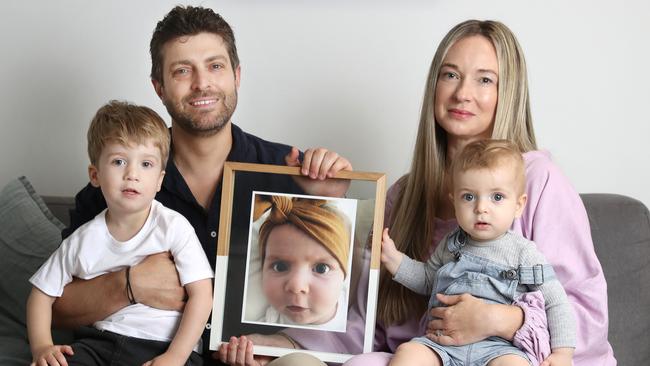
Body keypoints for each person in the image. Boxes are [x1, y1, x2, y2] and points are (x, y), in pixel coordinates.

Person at [223, 19, 614, 366]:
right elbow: (363, 316)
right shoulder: (405, 194)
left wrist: (503, 320)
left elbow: (583, 312)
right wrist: (277, 343)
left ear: (507, 92)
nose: (462, 93)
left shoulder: (539, 180)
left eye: (484, 79)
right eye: (450, 75)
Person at [50, 5, 350, 366]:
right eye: (182, 71)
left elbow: (341, 299)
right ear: (158, 88)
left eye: (215, 66)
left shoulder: (287, 170)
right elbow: (55, 307)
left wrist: (339, 199)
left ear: (237, 75)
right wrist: (128, 285)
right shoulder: (122, 178)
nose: (202, 83)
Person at [27, 101, 213, 365]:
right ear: (95, 175)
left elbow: (202, 294)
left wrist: (175, 356)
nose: (132, 174)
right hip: (99, 344)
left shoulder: (173, 227)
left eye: (146, 164)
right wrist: (42, 346)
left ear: (160, 180)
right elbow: (40, 295)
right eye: (118, 161)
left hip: (165, 346)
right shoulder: (83, 238)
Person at [382, 139, 575, 366]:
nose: (481, 208)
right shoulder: (452, 244)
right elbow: (427, 279)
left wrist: (563, 354)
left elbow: (556, 302)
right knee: (408, 353)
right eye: (469, 197)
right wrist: (396, 261)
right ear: (455, 202)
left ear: (518, 205)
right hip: (441, 344)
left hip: (500, 348)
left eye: (497, 197)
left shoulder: (524, 254)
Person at [253, 195, 350, 330]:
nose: (296, 286)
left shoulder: (354, 313)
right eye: (280, 266)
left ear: (343, 275)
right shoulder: (268, 322)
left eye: (321, 268)